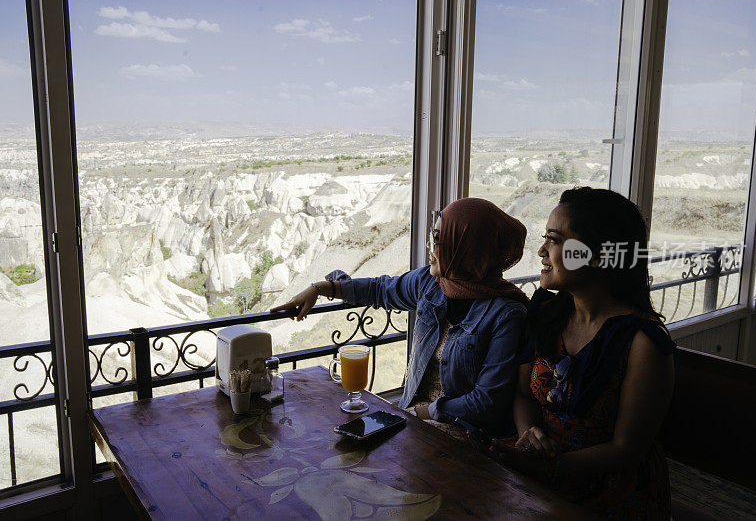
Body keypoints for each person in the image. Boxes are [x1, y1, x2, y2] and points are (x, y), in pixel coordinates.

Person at [272, 197, 531, 440]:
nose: (430, 247)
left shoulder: (506, 315)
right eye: (432, 236)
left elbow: (486, 403)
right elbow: (379, 289)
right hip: (412, 417)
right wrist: (321, 288)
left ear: (467, 248)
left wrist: (422, 412)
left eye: (439, 239)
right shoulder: (431, 284)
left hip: (464, 433)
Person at [491, 187, 675, 518]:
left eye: (554, 240)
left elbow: (626, 450)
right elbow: (523, 395)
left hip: (605, 489)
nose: (541, 251)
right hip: (540, 467)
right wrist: (527, 437)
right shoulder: (548, 314)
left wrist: (548, 467)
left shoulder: (643, 344)